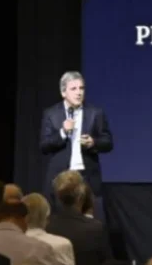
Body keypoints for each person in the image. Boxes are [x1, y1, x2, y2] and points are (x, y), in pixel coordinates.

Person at [39, 71, 113, 203]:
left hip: (87, 177)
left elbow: (108, 142)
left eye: (81, 88)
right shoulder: (51, 114)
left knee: (90, 220)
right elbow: (44, 146)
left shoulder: (95, 113)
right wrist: (62, 132)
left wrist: (93, 142)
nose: (79, 93)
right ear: (63, 93)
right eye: (73, 89)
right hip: (60, 177)